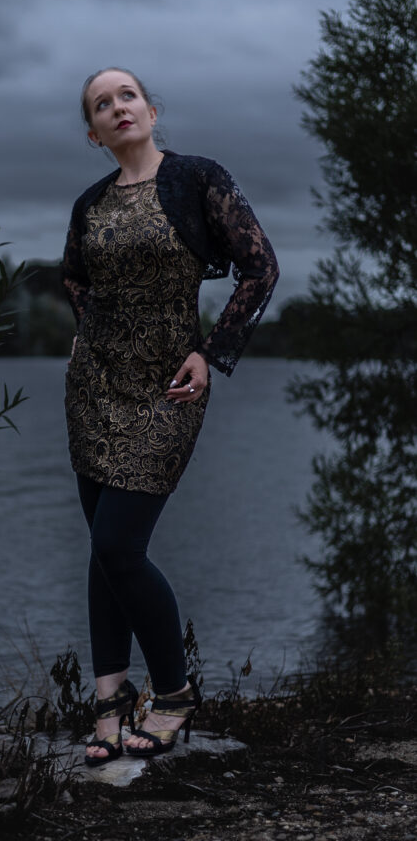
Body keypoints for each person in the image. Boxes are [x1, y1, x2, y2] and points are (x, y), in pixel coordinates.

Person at [62, 67, 279, 765]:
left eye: (126, 94)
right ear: (92, 133)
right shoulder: (89, 202)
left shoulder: (195, 178)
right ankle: (108, 704)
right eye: (102, 103)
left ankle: (174, 692)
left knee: (121, 547)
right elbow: (71, 273)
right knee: (103, 551)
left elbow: (259, 267)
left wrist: (209, 353)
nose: (117, 107)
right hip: (92, 388)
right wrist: (91, 332)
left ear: (151, 109)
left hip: (168, 389)